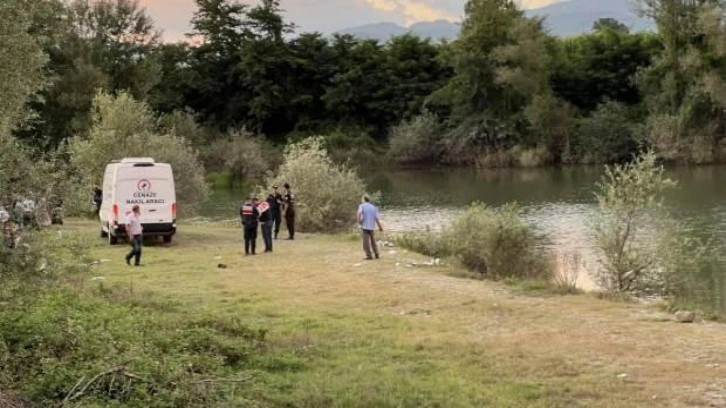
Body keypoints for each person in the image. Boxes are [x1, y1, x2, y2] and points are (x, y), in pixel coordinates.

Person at [357, 195, 384, 260]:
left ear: (364, 199)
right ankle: (376, 253)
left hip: (365, 226)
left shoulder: (362, 206)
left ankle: (369, 255)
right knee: (373, 241)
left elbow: (358, 213)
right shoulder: (373, 207)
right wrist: (380, 227)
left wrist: (359, 222)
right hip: (371, 226)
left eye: (362, 199)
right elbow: (376, 218)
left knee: (365, 242)